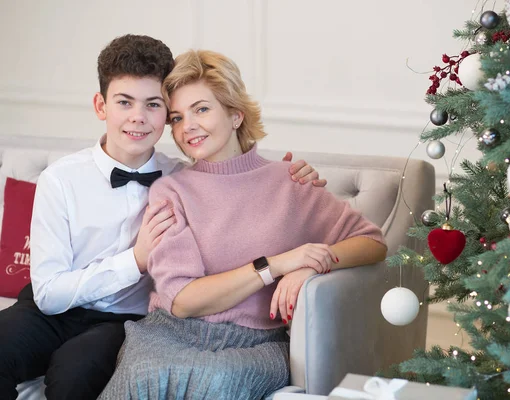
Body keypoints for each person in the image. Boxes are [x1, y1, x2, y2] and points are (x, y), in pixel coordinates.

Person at [0, 35, 324, 400]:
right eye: (124, 102)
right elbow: (48, 295)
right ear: (100, 105)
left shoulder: (185, 181)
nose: (138, 117)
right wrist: (135, 261)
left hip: (126, 321)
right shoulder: (60, 179)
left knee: (75, 375)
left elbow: (241, 189)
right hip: (53, 308)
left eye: (153, 105)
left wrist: (286, 181)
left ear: (166, 115)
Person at [99, 49, 388, 400]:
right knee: (143, 374)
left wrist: (312, 267)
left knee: (217, 381)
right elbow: (183, 301)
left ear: (235, 115)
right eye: (176, 117)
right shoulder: (171, 190)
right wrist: (279, 265)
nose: (187, 126)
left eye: (201, 109)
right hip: (170, 333)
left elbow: (371, 242)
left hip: (258, 343)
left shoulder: (290, 181)